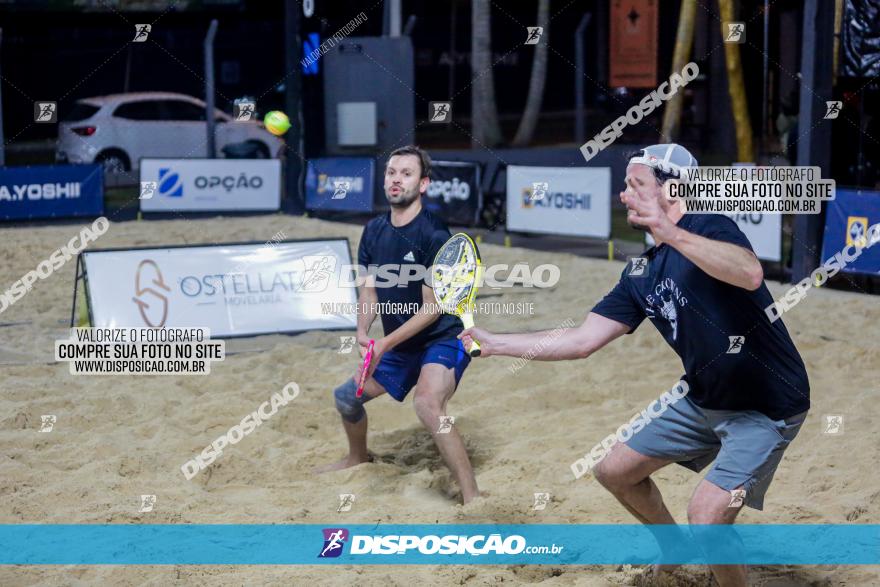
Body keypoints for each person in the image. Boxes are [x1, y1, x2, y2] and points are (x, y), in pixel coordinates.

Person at [459, 144, 810, 585]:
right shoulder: (641, 272)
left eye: (635, 184)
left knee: (706, 518)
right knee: (614, 471)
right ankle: (672, 545)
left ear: (674, 188)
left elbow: (749, 273)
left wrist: (670, 229)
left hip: (767, 407)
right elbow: (582, 339)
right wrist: (496, 343)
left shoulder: (709, 227)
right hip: (703, 398)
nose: (623, 194)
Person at [315, 145, 479, 504]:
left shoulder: (434, 234)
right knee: (346, 398)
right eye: (391, 172)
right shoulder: (373, 231)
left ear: (423, 184)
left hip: (442, 338)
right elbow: (369, 292)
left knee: (427, 405)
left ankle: (472, 495)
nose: (396, 179)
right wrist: (362, 334)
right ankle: (357, 457)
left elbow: (432, 309)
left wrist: (384, 345)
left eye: (406, 173)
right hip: (401, 345)